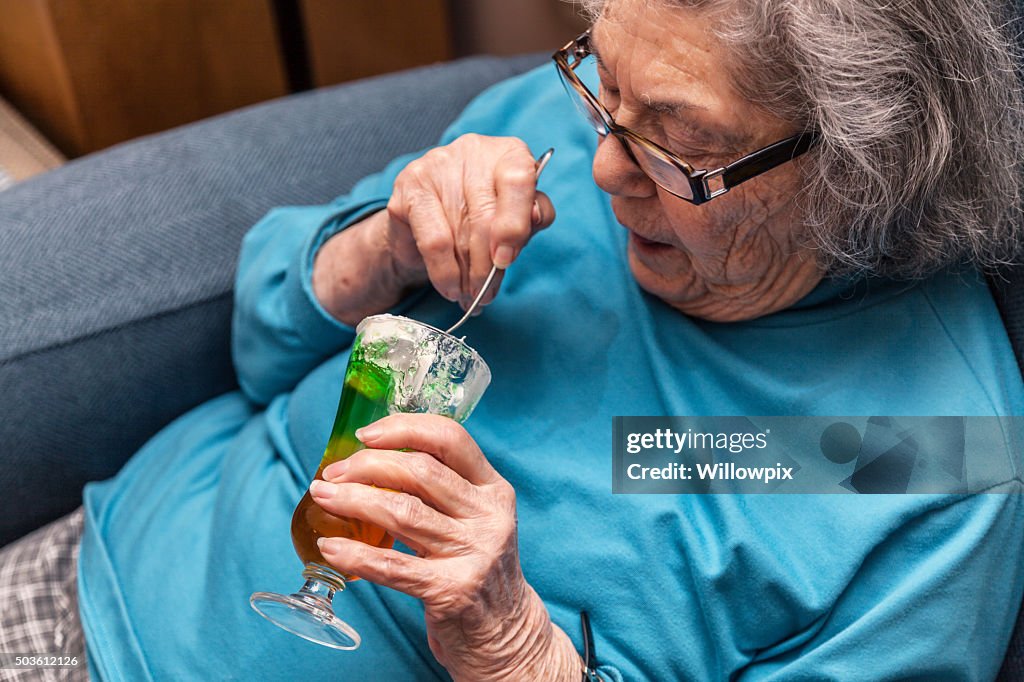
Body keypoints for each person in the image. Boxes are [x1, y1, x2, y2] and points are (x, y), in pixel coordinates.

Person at [2, 0, 1023, 679]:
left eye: (680, 144)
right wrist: (383, 246)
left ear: (862, 163)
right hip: (94, 576)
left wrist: (514, 646)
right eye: (603, 88)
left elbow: (675, 460)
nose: (603, 170)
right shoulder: (560, 123)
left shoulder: (923, 446)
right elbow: (263, 345)